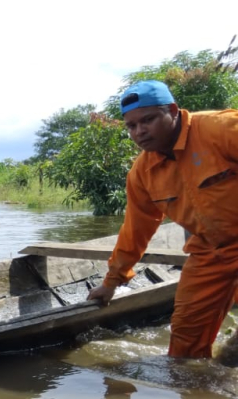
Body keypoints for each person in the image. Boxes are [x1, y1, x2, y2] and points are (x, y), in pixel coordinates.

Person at [87, 80, 238, 359]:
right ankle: (195, 397)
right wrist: (110, 283)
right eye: (131, 126)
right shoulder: (143, 173)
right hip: (209, 251)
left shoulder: (221, 130)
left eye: (148, 120)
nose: (139, 131)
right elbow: (135, 231)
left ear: (172, 110)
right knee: (184, 342)